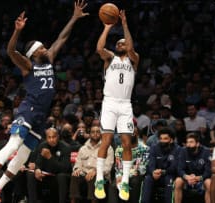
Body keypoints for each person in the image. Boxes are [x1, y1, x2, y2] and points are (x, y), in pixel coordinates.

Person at [0, 1, 89, 202]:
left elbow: (62, 38)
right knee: (14, 144)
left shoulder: (49, 59)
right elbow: (11, 51)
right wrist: (17, 32)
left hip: (40, 116)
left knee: (23, 156)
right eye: (42, 48)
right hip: (28, 109)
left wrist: (74, 17)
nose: (47, 49)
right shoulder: (28, 65)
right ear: (34, 53)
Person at [94, 9, 140, 201]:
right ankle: (99, 179)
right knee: (105, 141)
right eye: (119, 43)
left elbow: (130, 46)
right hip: (110, 103)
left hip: (125, 105)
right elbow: (99, 48)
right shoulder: (109, 58)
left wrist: (125, 26)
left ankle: (126, 181)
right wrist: (107, 28)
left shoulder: (133, 59)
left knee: (127, 143)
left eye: (124, 43)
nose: (122, 44)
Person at [69, 125, 114, 203]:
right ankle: (73, 200)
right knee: (74, 176)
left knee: (93, 177)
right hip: (84, 174)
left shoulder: (107, 148)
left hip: (102, 177)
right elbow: (78, 163)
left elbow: (108, 167)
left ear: (101, 134)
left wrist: (96, 171)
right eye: (93, 132)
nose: (95, 134)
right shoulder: (83, 148)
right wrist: (77, 169)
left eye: (98, 132)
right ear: (89, 134)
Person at [108, 126, 149, 203]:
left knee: (134, 182)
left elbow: (142, 168)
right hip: (123, 175)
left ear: (137, 134)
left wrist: (125, 176)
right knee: (113, 185)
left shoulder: (145, 149)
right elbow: (118, 166)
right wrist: (119, 176)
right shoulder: (120, 149)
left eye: (132, 133)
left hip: (137, 176)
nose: (130, 135)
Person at [140, 128, 180, 203]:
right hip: (156, 175)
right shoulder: (154, 148)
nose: (162, 141)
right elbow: (150, 163)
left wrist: (162, 172)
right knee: (148, 179)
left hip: (169, 175)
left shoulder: (178, 149)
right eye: (160, 138)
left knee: (169, 179)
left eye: (165, 139)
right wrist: (153, 172)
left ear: (171, 140)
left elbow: (175, 167)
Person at [174, 133, 211, 203]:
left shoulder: (206, 151)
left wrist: (198, 178)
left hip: (201, 178)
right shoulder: (183, 151)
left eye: (191, 142)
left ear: (197, 144)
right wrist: (186, 177)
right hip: (187, 178)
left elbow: (208, 171)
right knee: (178, 181)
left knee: (209, 183)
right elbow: (180, 169)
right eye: (187, 142)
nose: (188, 144)